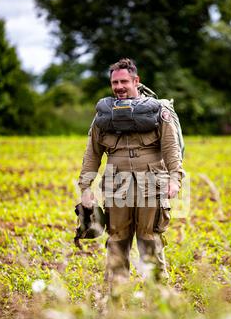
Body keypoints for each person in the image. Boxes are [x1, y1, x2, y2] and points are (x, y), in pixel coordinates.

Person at [78, 58, 184, 283]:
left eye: (124, 81)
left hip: (151, 185)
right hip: (117, 186)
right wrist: (85, 187)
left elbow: (171, 148)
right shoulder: (104, 116)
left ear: (136, 81)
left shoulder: (158, 112)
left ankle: (158, 300)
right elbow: (92, 154)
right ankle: (117, 298)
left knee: (150, 239)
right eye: (114, 82)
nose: (119, 87)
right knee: (117, 239)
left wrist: (175, 179)